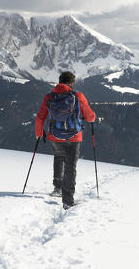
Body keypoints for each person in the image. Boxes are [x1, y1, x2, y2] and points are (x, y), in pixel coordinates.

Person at [35, 71, 96, 209]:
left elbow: (40, 116)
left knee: (58, 158)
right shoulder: (78, 96)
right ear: (72, 83)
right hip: (74, 137)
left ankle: (57, 188)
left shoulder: (49, 97)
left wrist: (39, 132)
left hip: (54, 135)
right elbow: (90, 116)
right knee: (70, 166)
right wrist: (90, 117)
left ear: (59, 81)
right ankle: (67, 200)